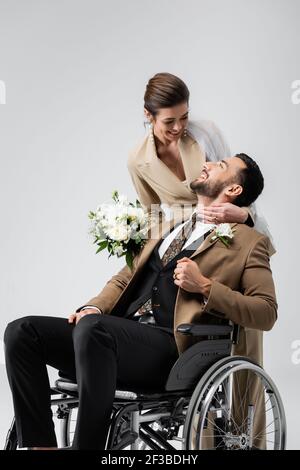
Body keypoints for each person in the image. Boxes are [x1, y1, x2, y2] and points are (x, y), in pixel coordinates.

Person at [4, 153, 277, 450]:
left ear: (234, 190)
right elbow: (125, 278)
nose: (208, 164)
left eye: (220, 166)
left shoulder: (249, 242)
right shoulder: (168, 225)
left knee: (94, 330)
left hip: (173, 351)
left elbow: (266, 312)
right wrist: (93, 306)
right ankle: (41, 446)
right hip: (112, 338)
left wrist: (205, 286)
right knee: (22, 331)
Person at [128, 72, 273, 248]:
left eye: (184, 117)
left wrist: (245, 215)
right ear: (148, 115)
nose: (178, 127)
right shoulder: (138, 160)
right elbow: (152, 213)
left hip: (226, 229)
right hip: (181, 239)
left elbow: (238, 181)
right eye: (169, 121)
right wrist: (161, 252)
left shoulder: (206, 134)